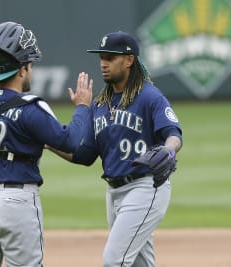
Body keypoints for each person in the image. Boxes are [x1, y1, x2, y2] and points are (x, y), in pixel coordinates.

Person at [0, 21, 93, 267]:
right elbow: (69, 142)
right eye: (31, 64)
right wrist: (82, 107)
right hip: (18, 202)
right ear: (22, 69)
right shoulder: (30, 107)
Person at [47, 31, 182, 266]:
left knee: (114, 260)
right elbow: (84, 155)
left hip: (145, 187)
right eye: (101, 57)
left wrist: (168, 150)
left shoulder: (150, 96)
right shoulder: (99, 104)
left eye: (110, 57)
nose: (103, 63)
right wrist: (47, 142)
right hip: (114, 193)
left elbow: (173, 133)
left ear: (129, 60)